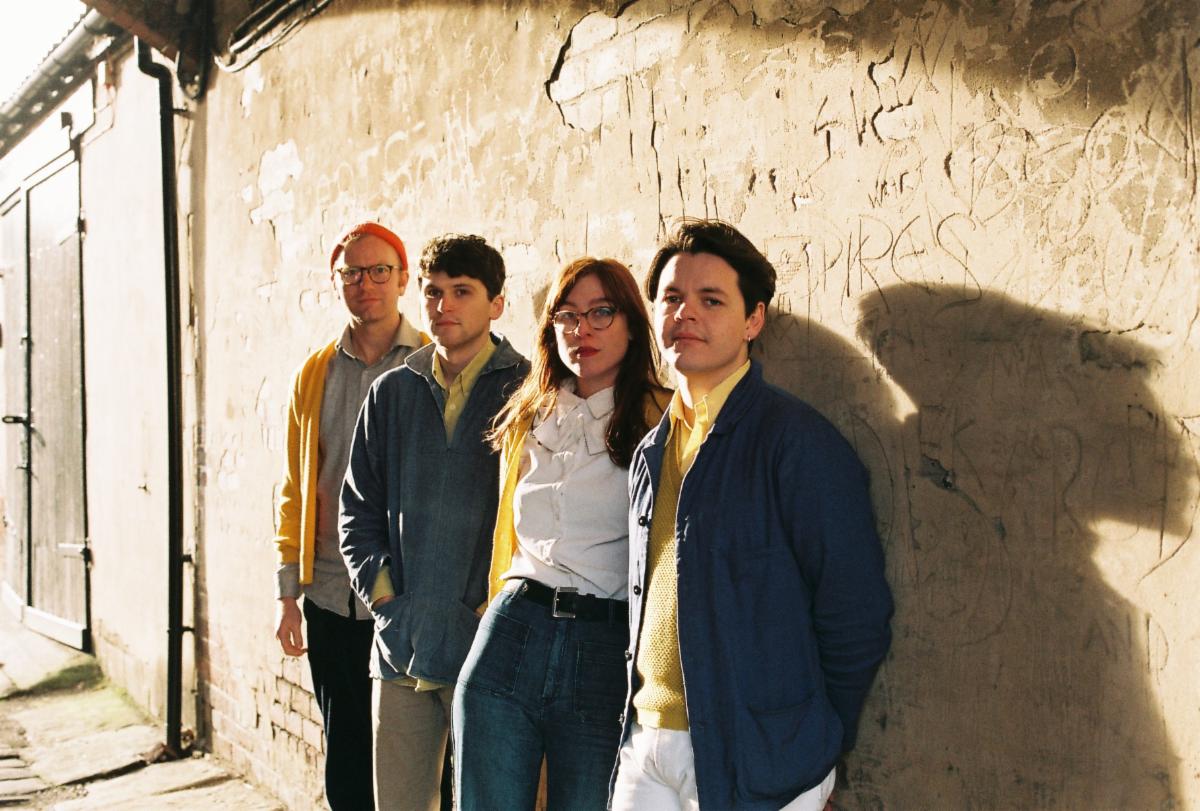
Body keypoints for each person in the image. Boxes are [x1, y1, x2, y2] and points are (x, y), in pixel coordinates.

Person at [610, 219, 894, 811]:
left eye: (711, 300)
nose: (686, 313)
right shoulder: (651, 451)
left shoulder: (797, 443)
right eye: (671, 297)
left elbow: (856, 612)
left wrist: (813, 745)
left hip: (759, 758)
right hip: (646, 746)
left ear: (753, 320)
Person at [453, 258, 669, 810]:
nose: (581, 330)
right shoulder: (530, 412)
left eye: (601, 313)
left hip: (604, 643)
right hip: (512, 629)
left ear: (631, 324)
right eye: (567, 316)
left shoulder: (663, 419)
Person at [339, 234, 529, 811]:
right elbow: (357, 511)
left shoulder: (529, 392)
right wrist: (385, 599)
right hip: (401, 648)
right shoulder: (390, 393)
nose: (443, 305)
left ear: (496, 303)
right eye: (433, 292)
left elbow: (542, 521)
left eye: (462, 291)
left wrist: (492, 611)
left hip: (488, 649)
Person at [272, 221, 426, 810]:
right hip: (333, 597)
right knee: (347, 760)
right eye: (352, 273)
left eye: (380, 270)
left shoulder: (432, 363)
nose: (366, 283)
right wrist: (289, 593)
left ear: (403, 279)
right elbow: (296, 488)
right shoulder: (315, 373)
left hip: (410, 596)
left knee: (417, 760)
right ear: (336, 283)